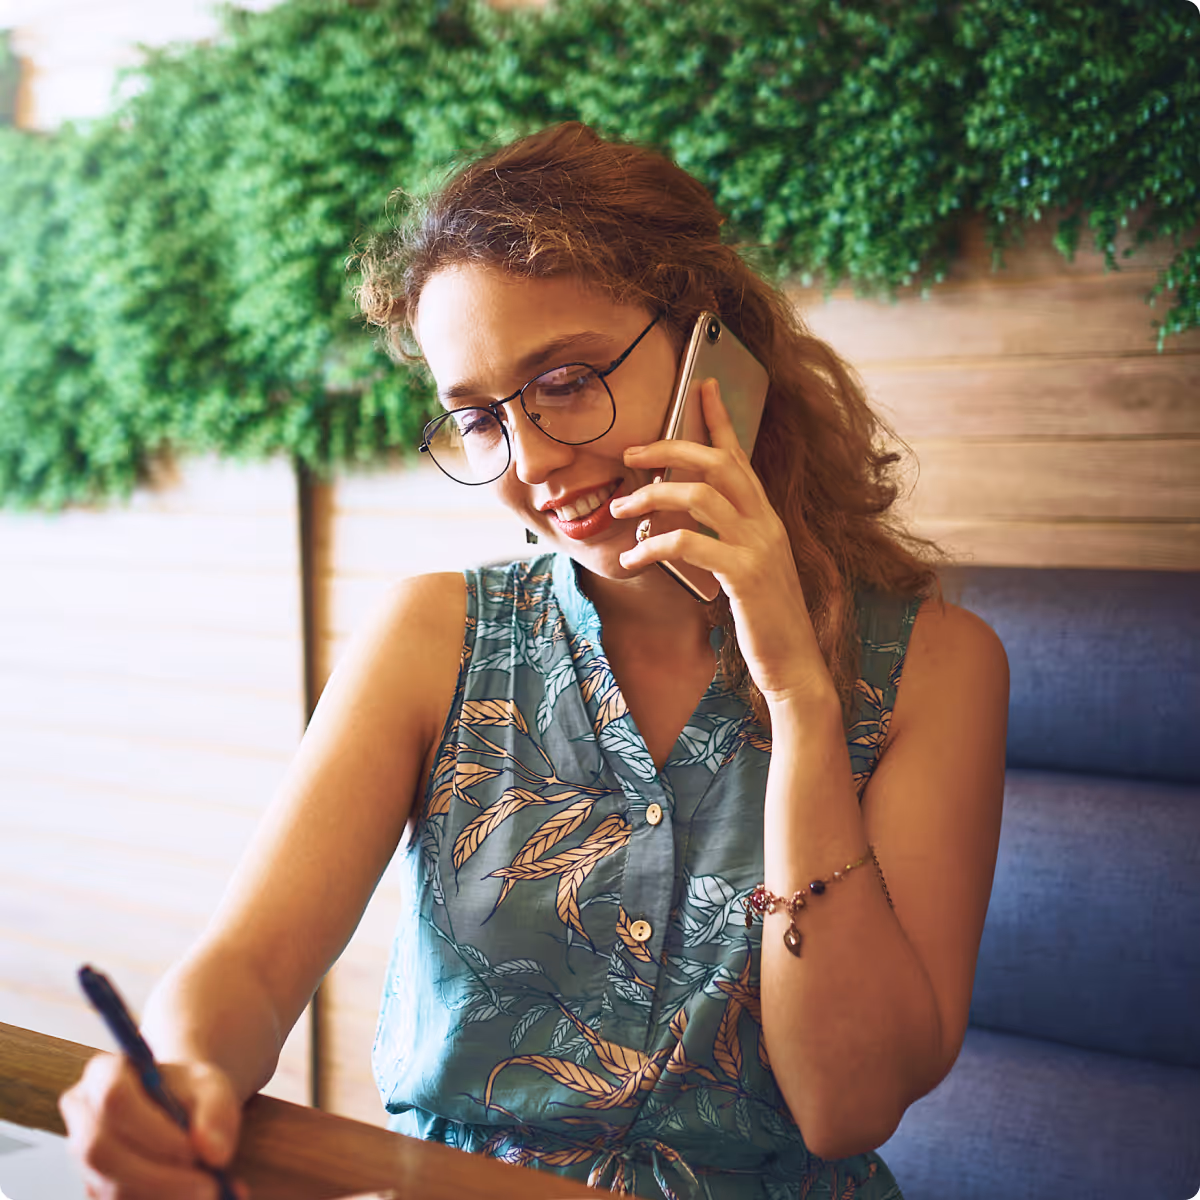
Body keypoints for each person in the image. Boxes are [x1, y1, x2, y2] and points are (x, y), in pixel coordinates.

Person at [60, 122, 1008, 1200]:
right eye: (477, 417)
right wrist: (179, 1072)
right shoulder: (435, 639)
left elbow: (849, 1106)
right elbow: (250, 965)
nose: (533, 462)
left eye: (564, 379)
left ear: (718, 351)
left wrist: (797, 694)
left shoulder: (938, 669)